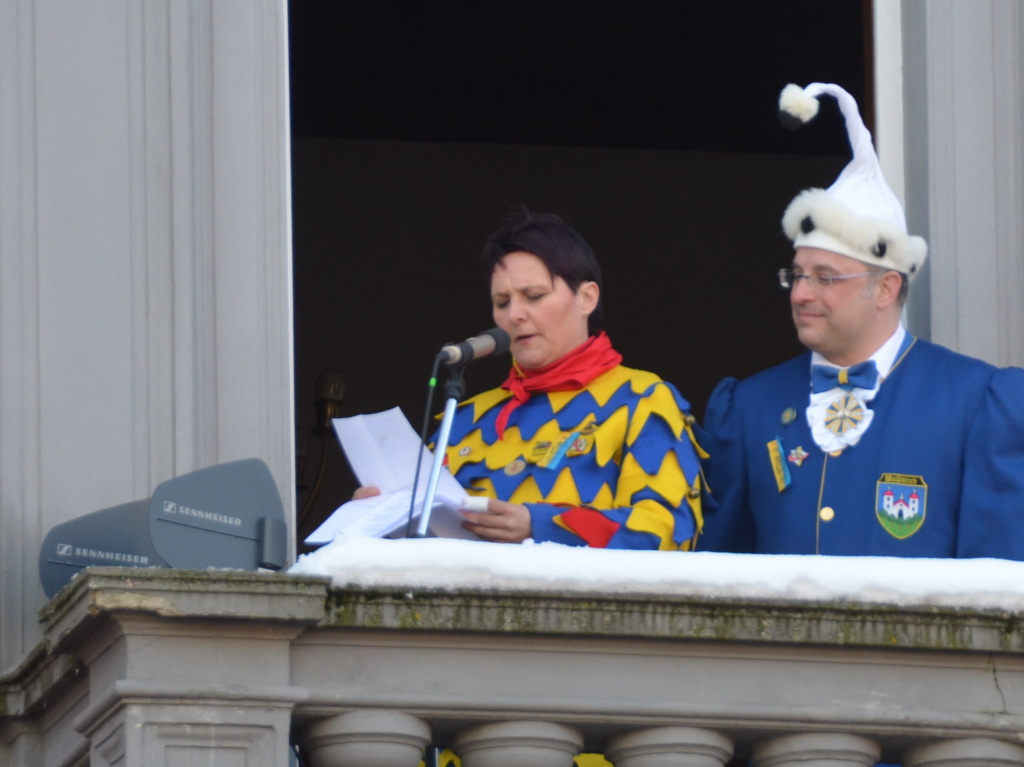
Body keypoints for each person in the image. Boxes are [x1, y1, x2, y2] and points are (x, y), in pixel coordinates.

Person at [698, 82, 1024, 558]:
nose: (801, 293)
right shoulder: (748, 407)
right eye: (797, 274)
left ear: (886, 288)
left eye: (826, 277)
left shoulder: (977, 402)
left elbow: (998, 591)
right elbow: (719, 575)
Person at [359, 209, 705, 549]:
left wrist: (539, 526)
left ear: (587, 298)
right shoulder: (464, 416)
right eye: (502, 301)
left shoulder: (641, 398)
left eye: (534, 296)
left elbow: (667, 529)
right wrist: (378, 517)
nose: (514, 315)